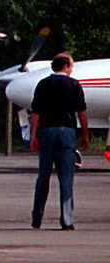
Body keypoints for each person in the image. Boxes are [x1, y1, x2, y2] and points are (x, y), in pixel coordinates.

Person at [29, 52, 89, 230]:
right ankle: (67, 220)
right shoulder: (74, 84)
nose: (72, 70)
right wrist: (85, 134)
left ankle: (37, 217)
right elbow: (82, 112)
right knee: (66, 177)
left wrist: (33, 136)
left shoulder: (43, 84)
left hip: (47, 131)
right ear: (65, 66)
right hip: (67, 133)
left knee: (44, 175)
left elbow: (36, 113)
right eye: (71, 66)